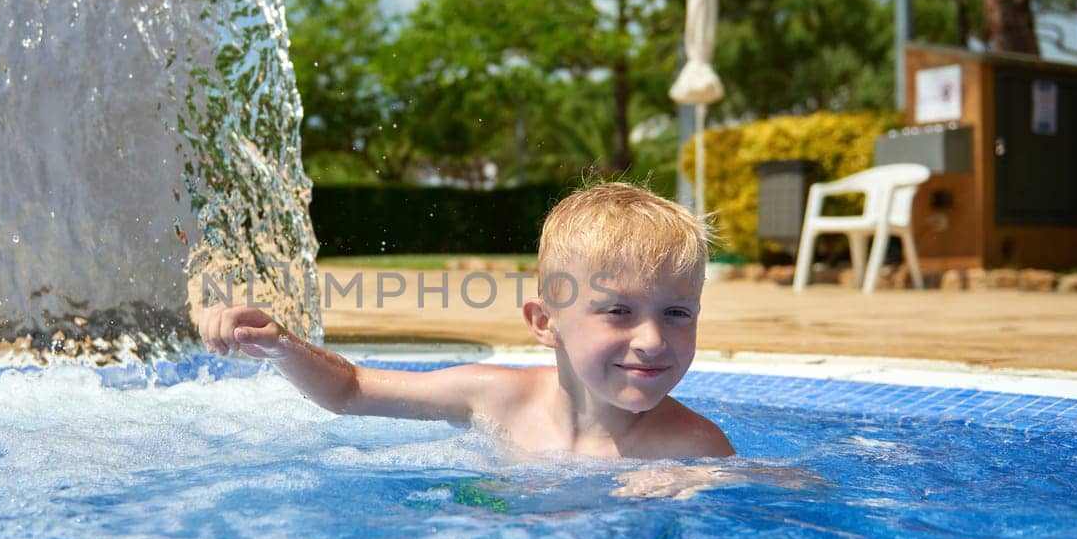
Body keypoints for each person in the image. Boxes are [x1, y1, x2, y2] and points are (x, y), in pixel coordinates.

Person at [198, 181, 736, 463]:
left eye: (677, 313)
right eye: (618, 312)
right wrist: (281, 345)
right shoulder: (496, 399)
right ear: (544, 322)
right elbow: (353, 390)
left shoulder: (692, 449)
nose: (652, 340)